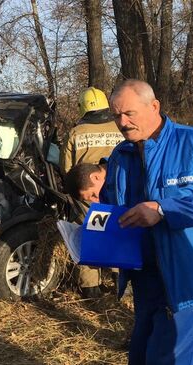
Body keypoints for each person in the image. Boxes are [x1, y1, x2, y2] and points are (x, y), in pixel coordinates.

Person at [100, 79, 193, 364]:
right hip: (143, 277)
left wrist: (164, 209)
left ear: (154, 106)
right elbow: (111, 207)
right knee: (140, 355)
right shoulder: (120, 155)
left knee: (171, 358)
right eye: (116, 115)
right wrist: (96, 242)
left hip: (186, 278)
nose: (122, 122)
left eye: (129, 113)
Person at [67, 161, 193, 364]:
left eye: (92, 195)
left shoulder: (131, 169)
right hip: (172, 262)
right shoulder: (120, 170)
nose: (96, 202)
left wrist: (161, 210)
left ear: (96, 177)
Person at [60, 87, 123, 299]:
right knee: (117, 234)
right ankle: (121, 281)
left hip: (87, 194)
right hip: (116, 192)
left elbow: (67, 171)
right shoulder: (120, 126)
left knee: (89, 235)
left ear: (82, 108)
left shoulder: (75, 133)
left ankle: (90, 288)